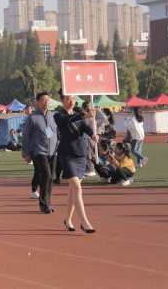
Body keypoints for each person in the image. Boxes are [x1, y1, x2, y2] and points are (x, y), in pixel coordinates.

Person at [54, 91, 97, 234]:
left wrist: (93, 134)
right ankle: (85, 222)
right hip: (66, 155)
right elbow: (68, 120)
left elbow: (85, 127)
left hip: (80, 154)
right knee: (77, 189)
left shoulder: (78, 115)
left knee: (72, 190)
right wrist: (85, 115)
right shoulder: (58, 116)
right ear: (62, 100)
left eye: (73, 99)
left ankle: (68, 220)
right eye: (68, 99)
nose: (71, 101)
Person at [22, 93, 58, 214]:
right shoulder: (32, 117)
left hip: (53, 151)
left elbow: (57, 132)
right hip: (39, 150)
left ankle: (47, 202)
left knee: (50, 177)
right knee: (46, 175)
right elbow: (26, 135)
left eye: (48, 99)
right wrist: (26, 152)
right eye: (43, 100)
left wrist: (59, 142)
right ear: (37, 102)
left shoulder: (54, 116)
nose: (46, 102)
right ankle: (43, 204)